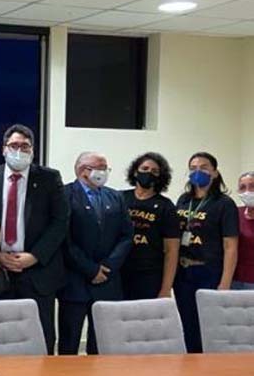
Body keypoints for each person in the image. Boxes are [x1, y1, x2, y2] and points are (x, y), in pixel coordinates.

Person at [0, 124, 67, 354]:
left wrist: (34, 256)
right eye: (14, 145)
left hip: (37, 271)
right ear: (3, 149)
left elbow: (60, 222)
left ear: (33, 150)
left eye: (25, 146)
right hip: (0, 271)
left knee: (41, 338)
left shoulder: (49, 178)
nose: (19, 151)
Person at [58, 152, 132, 355]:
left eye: (105, 168)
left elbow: (126, 236)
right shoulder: (64, 195)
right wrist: (91, 270)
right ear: (83, 170)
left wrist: (108, 267)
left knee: (102, 344)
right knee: (69, 344)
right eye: (100, 167)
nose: (104, 172)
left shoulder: (115, 197)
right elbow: (64, 239)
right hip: (75, 282)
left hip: (108, 281)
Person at [174, 152, 238, 353]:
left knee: (208, 326)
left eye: (203, 167)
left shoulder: (224, 203)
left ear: (215, 172)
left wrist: (225, 283)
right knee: (187, 324)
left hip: (208, 272)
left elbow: (230, 246)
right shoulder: (184, 200)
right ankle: (190, 363)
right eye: (193, 168)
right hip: (183, 271)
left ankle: (207, 366)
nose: (197, 171)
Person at [120, 152, 180, 300]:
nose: (149, 173)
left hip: (149, 275)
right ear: (135, 172)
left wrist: (166, 289)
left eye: (155, 171)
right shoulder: (120, 198)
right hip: (119, 271)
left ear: (160, 177)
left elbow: (171, 251)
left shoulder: (166, 206)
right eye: (145, 169)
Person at [233, 172, 254, 290]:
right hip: (234, 280)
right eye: (242, 188)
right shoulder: (234, 213)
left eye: (252, 186)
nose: (247, 192)